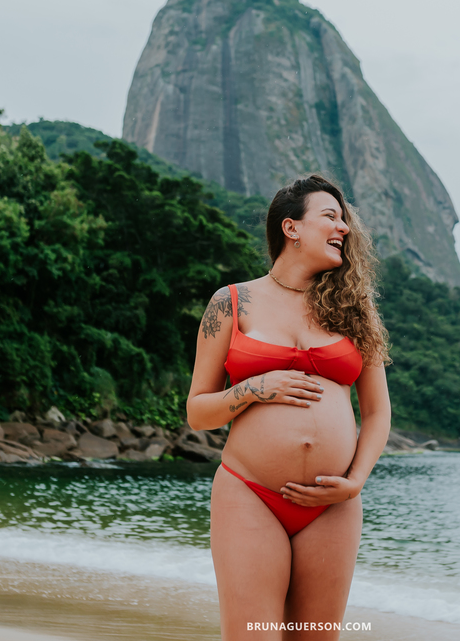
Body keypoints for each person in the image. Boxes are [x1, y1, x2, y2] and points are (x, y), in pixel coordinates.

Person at [187, 174, 392, 640]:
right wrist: (255, 388)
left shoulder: (356, 310)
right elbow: (198, 411)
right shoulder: (231, 302)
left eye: (345, 220)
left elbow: (378, 413)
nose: (344, 227)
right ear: (291, 228)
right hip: (249, 493)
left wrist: (354, 483)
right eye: (331, 216)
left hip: (333, 505)